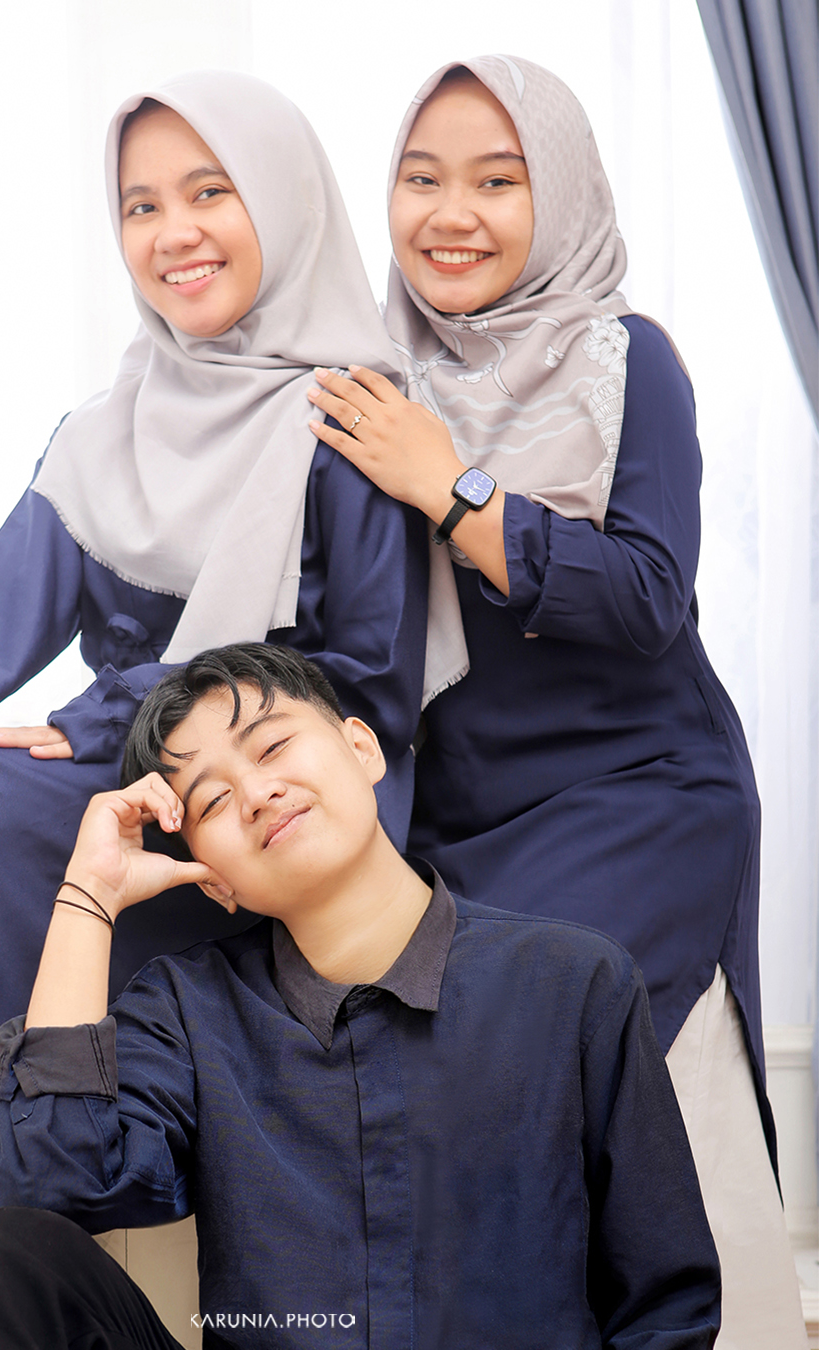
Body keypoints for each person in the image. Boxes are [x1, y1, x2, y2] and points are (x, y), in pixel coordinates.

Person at [0, 74, 435, 1350]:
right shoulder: (107, 428)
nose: (174, 232)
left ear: (281, 202)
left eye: (210, 192)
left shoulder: (350, 418)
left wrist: (122, 713)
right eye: (140, 205)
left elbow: (369, 687)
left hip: (247, 806)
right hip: (102, 779)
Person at [305, 55, 804, 1348]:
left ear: (562, 195)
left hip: (637, 791)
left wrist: (457, 489)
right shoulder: (364, 387)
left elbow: (648, 596)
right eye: (422, 179)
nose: (450, 212)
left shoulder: (630, 360)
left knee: (510, 1031)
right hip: (458, 817)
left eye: (497, 179)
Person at [0, 641, 721, 1350]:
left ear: (362, 748)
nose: (257, 793)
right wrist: (89, 892)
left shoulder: (573, 983)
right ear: (208, 869)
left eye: (271, 748)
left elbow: (665, 1307)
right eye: (213, 802)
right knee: (3, 1258)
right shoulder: (192, 1012)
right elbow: (53, 1181)